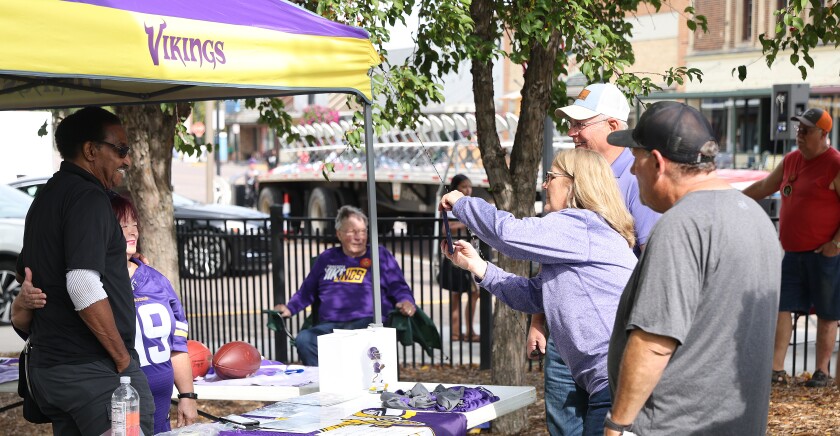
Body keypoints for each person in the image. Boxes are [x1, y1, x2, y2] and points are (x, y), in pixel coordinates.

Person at [605, 101, 781, 434]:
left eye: (636, 158)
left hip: (672, 426)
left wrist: (618, 423)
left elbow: (654, 341)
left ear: (657, 162)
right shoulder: (754, 215)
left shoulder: (682, 225)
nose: (631, 170)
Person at [440, 147, 638, 436]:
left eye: (551, 176)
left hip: (615, 382)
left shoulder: (580, 224)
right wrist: (478, 266)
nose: (545, 185)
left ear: (574, 183)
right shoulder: (585, 231)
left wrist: (462, 203)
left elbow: (507, 233)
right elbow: (535, 296)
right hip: (610, 382)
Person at [530, 82, 661, 436]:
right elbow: (554, 258)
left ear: (614, 127)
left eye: (581, 124)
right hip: (563, 337)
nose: (571, 132)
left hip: (610, 339)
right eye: (571, 124)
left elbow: (651, 262)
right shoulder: (571, 174)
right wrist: (540, 319)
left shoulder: (636, 180)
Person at [14, 107, 155, 435]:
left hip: (53, 372)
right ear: (91, 151)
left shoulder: (46, 196)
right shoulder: (88, 197)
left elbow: (28, 273)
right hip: (92, 373)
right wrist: (123, 361)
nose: (127, 161)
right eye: (121, 150)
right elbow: (81, 283)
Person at [14, 195, 199, 433]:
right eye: (123, 225)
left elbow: (177, 345)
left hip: (158, 403)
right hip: (109, 396)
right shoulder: (82, 283)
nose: (132, 232)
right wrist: (22, 301)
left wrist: (187, 394)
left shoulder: (156, 280)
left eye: (135, 224)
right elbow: (24, 326)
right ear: (103, 229)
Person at [742, 107, 840, 387]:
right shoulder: (791, 161)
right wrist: (729, 200)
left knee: (827, 311)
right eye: (798, 129)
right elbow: (763, 186)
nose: (799, 134)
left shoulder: (835, 163)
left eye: (806, 130)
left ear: (823, 134)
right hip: (793, 252)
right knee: (782, 306)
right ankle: (776, 368)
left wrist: (836, 243)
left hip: (825, 254)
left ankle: (821, 371)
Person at [274, 205, 417, 366]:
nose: (359, 237)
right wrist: (290, 308)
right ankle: (325, 384)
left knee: (366, 340)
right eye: (352, 232)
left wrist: (405, 301)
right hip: (330, 327)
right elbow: (306, 291)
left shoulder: (379, 255)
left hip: (367, 324)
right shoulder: (327, 258)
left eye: (363, 231)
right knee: (305, 339)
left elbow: (399, 286)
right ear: (339, 234)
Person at [440, 174, 481, 342]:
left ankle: (469, 330)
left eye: (469, 186)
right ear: (456, 188)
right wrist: (465, 223)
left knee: (474, 293)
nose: (468, 190)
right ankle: (457, 332)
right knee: (456, 295)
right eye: (464, 186)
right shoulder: (451, 206)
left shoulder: (470, 205)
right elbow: (445, 229)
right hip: (455, 255)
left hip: (470, 255)